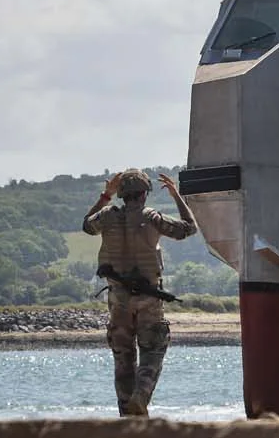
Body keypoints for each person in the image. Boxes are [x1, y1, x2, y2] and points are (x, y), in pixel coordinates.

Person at [81, 168, 198, 417]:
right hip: (148, 297)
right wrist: (177, 196)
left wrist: (105, 196)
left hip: (118, 298)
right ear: (145, 194)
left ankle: (127, 415)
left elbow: (86, 226)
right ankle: (141, 396)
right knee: (153, 352)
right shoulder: (152, 217)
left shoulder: (107, 216)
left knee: (123, 359)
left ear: (122, 194)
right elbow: (189, 228)